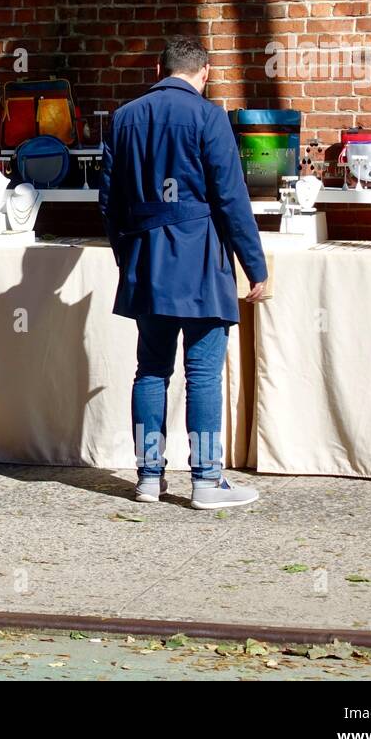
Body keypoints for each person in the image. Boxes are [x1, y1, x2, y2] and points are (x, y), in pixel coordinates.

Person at [100, 35, 268, 509]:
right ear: (205, 72)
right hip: (199, 261)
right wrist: (254, 265)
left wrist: (127, 255)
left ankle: (149, 478)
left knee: (150, 369)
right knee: (203, 374)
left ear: (159, 67)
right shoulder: (210, 116)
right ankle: (206, 480)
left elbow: (109, 203)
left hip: (147, 260)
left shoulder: (125, 117)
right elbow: (232, 198)